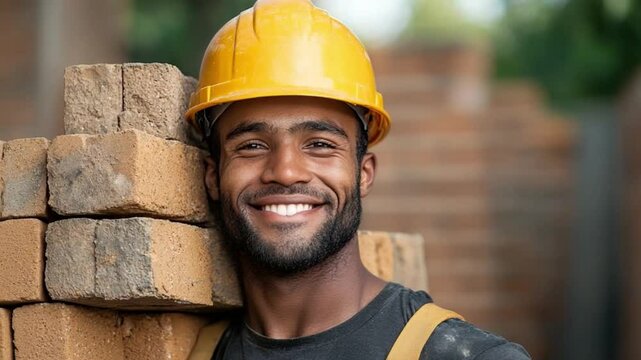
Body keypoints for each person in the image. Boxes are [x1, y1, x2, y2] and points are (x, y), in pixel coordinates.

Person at [185, 0, 531, 358]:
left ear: (363, 172)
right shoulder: (196, 351)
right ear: (212, 175)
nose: (285, 171)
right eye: (253, 145)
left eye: (319, 144)